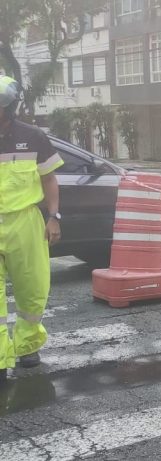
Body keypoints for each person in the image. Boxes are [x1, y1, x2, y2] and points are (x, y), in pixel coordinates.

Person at [0, 76, 63, 383]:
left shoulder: (33, 136)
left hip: (25, 221)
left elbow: (49, 179)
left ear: (10, 107)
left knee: (33, 289)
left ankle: (27, 346)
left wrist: (54, 216)